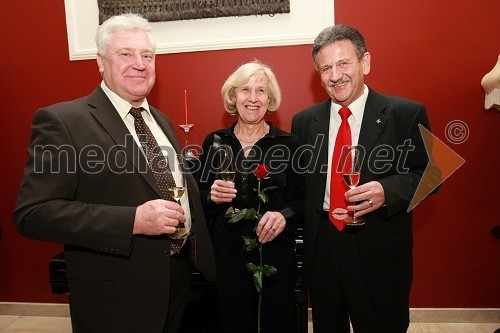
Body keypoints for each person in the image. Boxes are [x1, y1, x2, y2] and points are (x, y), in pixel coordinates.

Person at [13, 13, 215, 333]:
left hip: (177, 281)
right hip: (115, 294)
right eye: (125, 54)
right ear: (100, 62)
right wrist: (132, 220)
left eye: (147, 55)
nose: (139, 63)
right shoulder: (63, 121)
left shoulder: (160, 120)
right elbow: (32, 213)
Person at [291, 25, 431, 332]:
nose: (335, 75)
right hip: (324, 249)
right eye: (325, 68)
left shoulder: (406, 113)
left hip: (380, 247)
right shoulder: (303, 122)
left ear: (365, 63)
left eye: (344, 63)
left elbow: (432, 173)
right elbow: (298, 187)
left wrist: (387, 190)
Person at [197, 61, 304, 333]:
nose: (253, 98)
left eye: (261, 91)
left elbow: (304, 200)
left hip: (276, 257)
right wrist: (210, 196)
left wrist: (284, 215)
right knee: (234, 324)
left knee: (277, 324)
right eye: (245, 90)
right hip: (228, 258)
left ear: (270, 98)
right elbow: (197, 200)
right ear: (233, 97)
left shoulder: (289, 144)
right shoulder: (215, 142)